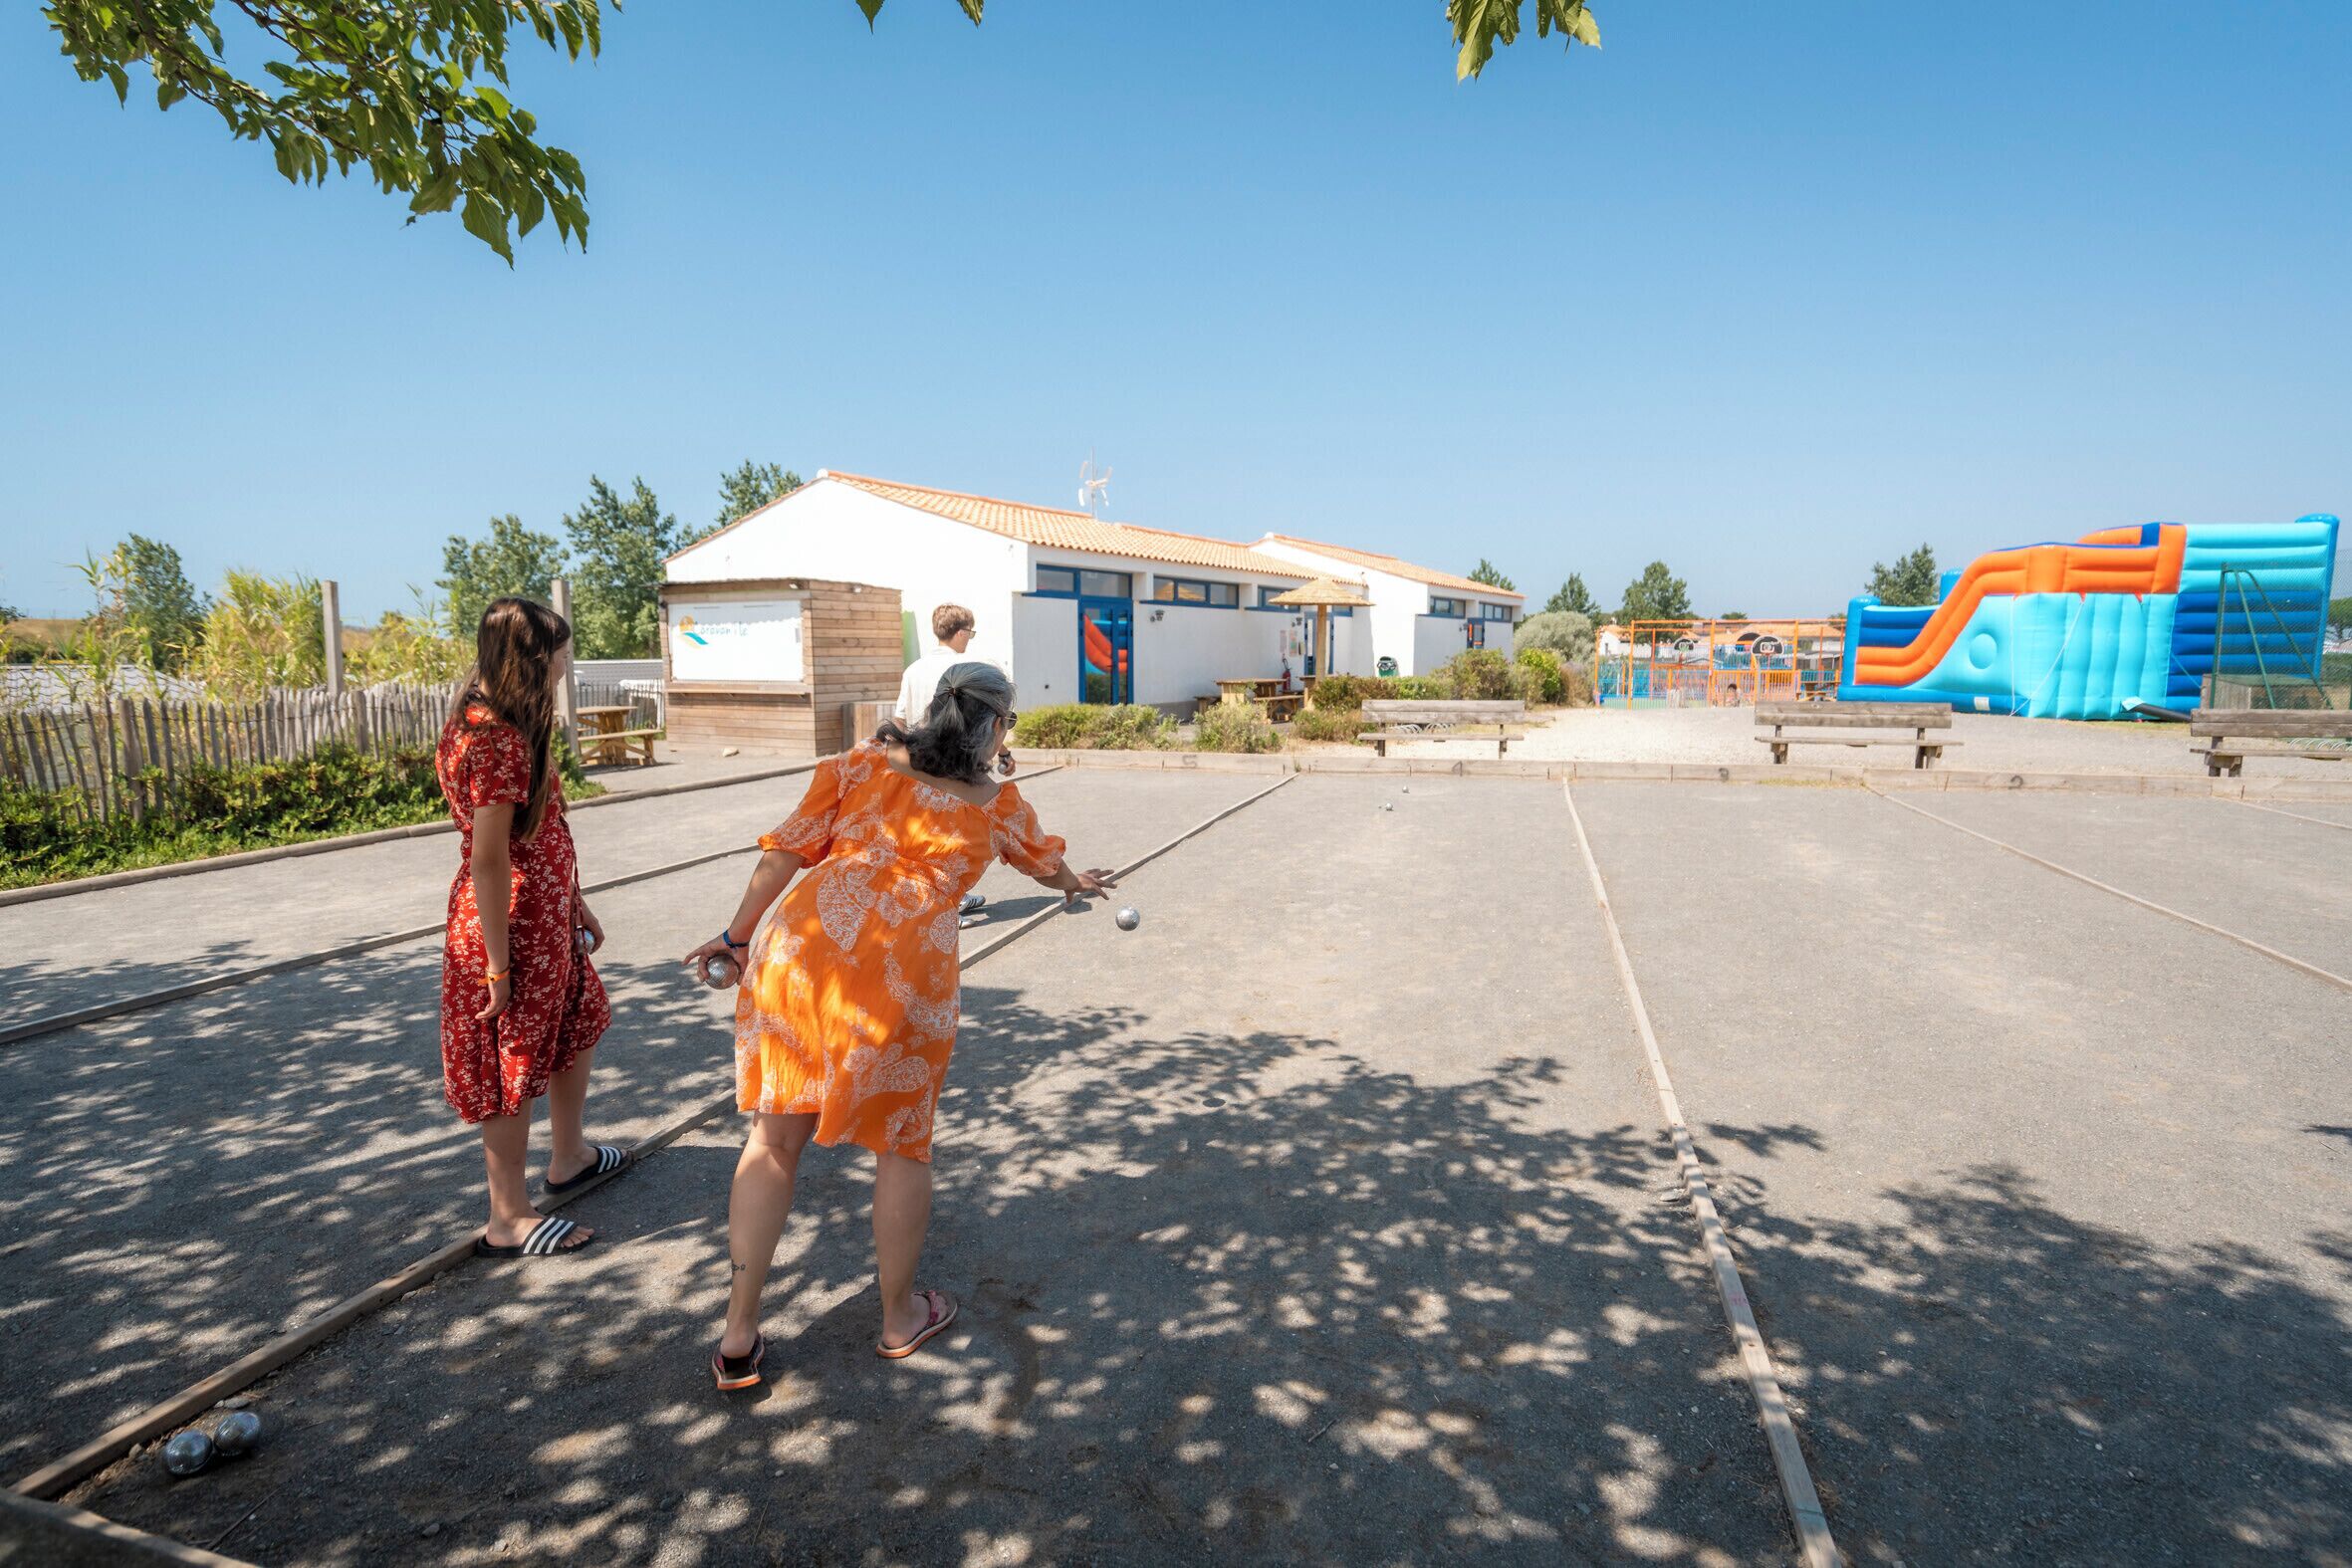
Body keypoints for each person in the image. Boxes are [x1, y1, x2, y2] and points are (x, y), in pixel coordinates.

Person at [685, 662, 1116, 1390]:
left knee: (773, 1138)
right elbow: (1046, 864)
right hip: (902, 972)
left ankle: (736, 1332)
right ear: (996, 724)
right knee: (901, 1143)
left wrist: (734, 936)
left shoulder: (857, 764)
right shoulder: (995, 800)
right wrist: (1077, 885)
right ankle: (897, 1318)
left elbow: (785, 850)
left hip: (801, 947)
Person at [437, 597, 622, 1260]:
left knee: (578, 1016)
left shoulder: (495, 721)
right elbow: (489, 858)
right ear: (530, 662)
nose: (564, 671)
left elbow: (541, 828)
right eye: (558, 660)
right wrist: (497, 964)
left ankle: (568, 1153)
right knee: (510, 1055)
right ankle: (508, 1215)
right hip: (511, 925)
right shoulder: (495, 740)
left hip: (545, 915)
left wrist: (575, 902)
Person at [896, 602, 1015, 775]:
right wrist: (1003, 754)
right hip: (961, 767)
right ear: (961, 632)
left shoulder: (913, 670)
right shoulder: (966, 671)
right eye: (970, 633)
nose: (969, 638)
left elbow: (899, 720)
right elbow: (981, 721)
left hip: (920, 764)